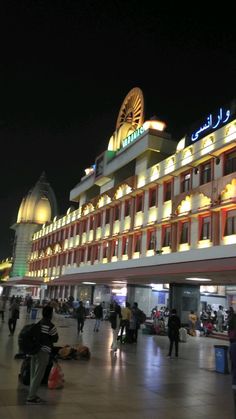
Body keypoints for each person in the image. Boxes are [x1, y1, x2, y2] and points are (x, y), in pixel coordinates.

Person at [26, 305, 59, 405]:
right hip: (43, 352)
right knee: (38, 375)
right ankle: (31, 397)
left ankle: (32, 393)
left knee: (33, 374)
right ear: (50, 314)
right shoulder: (50, 326)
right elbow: (56, 339)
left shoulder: (39, 323)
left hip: (34, 351)